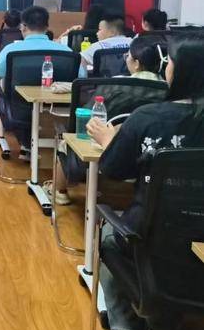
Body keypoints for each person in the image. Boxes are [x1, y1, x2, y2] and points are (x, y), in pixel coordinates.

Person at [86, 36, 204, 330]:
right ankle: (164, 322)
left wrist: (109, 140)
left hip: (154, 235)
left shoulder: (149, 118)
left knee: (109, 232)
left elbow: (113, 169)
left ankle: (128, 328)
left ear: (178, 72)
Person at [44, 36, 169, 207]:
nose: (126, 59)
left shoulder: (114, 85)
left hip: (106, 149)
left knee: (66, 141)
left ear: (137, 63)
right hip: (151, 154)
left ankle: (59, 191)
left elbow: (88, 116)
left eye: (128, 56)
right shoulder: (170, 91)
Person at [0, 6, 72, 160]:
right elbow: (81, 77)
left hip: (19, 110)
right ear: (47, 28)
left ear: (23, 27)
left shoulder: (11, 50)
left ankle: (27, 144)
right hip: (57, 110)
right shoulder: (66, 51)